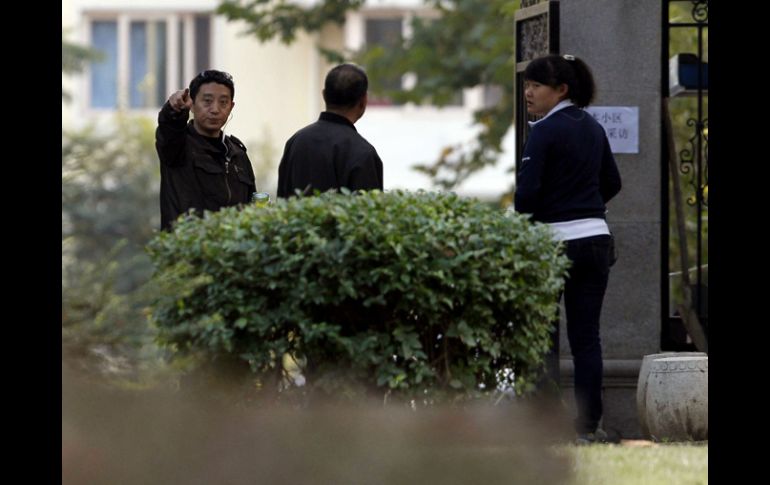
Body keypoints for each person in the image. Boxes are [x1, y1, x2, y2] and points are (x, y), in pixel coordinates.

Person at [514, 54, 622, 444]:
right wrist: (587, 206)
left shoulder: (544, 131)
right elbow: (613, 181)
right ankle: (588, 425)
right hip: (595, 239)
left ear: (561, 89)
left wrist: (545, 215)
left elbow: (525, 196)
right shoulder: (593, 128)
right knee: (586, 337)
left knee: (542, 334)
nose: (528, 91)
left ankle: (544, 423)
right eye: (528, 83)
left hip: (553, 243)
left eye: (536, 85)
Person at [156, 69, 256, 230]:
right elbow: (169, 127)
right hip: (190, 250)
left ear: (231, 107)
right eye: (207, 101)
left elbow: (252, 208)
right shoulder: (178, 146)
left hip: (233, 250)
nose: (215, 109)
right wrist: (174, 110)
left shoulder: (238, 154)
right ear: (192, 104)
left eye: (223, 102)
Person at [277, 63, 383, 198]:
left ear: (324, 95)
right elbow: (368, 213)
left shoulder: (296, 142)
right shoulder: (363, 152)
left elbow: (282, 204)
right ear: (363, 101)